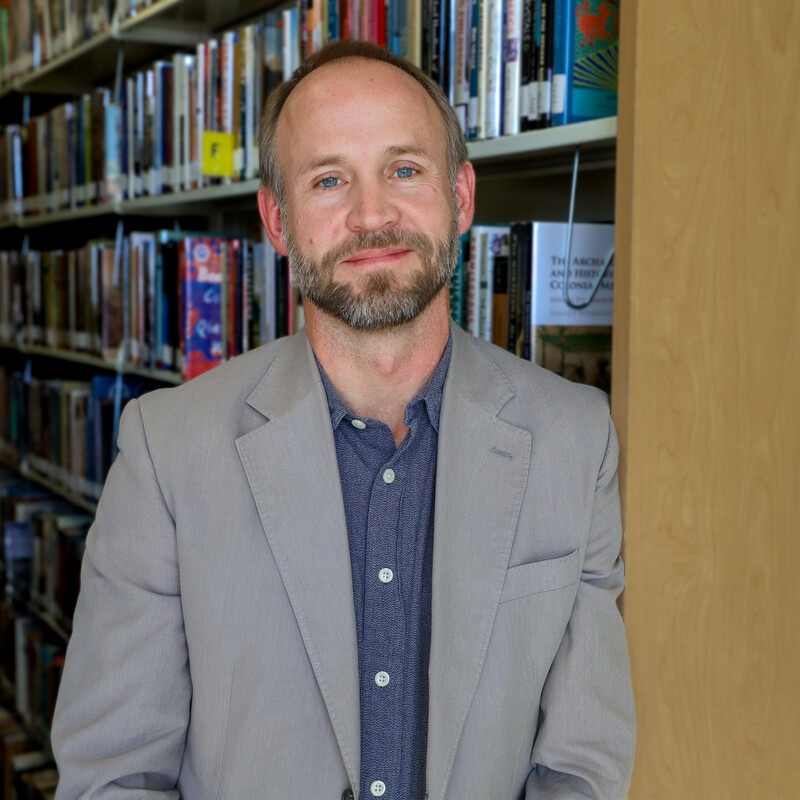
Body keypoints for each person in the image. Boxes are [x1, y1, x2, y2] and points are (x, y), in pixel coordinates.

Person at [51, 40, 635, 800]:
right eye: (329, 180)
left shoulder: (575, 440)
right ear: (278, 219)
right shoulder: (168, 452)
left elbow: (581, 768)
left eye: (404, 169)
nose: (371, 215)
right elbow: (114, 775)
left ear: (460, 197)